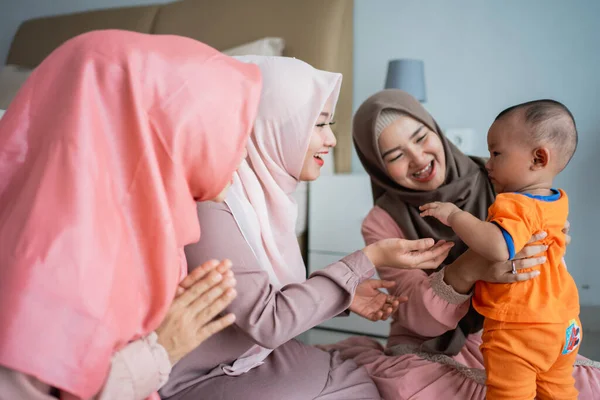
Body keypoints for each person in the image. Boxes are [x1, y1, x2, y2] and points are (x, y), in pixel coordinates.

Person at [159, 56, 454, 400]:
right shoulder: (213, 203)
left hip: (242, 354)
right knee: (361, 386)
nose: (331, 140)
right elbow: (266, 320)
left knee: (361, 369)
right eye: (318, 125)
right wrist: (366, 260)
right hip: (198, 375)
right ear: (273, 124)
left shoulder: (263, 198)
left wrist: (344, 296)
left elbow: (255, 292)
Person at [0, 30, 261, 399]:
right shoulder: (49, 266)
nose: (245, 152)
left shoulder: (141, 231)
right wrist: (159, 351)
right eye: (230, 130)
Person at [323, 89, 600, 399]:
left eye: (420, 137)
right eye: (396, 156)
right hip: (433, 342)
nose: (418, 158)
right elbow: (415, 318)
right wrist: (469, 267)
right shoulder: (382, 220)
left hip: (519, 326)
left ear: (435, 130)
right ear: (379, 168)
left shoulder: (501, 175)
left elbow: (541, 258)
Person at [419, 100, 580, 399]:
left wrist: (455, 216)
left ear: (538, 158)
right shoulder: (558, 200)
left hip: (521, 329)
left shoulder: (514, 203)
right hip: (565, 322)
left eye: (496, 153)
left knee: (510, 394)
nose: (488, 163)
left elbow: (497, 246)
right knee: (558, 390)